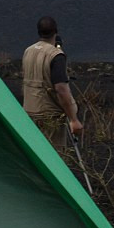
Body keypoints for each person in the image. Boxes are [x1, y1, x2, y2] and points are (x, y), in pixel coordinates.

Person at [21, 15, 83, 151]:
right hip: (49, 115)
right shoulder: (56, 55)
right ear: (56, 31)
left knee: (35, 153)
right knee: (54, 155)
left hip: (29, 111)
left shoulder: (28, 51)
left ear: (39, 32)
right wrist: (73, 119)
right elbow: (61, 89)